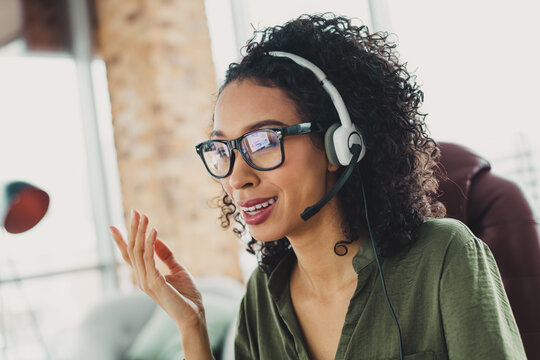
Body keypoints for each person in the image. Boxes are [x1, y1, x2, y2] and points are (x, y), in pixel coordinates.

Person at [109, 13, 526, 360]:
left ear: (338, 146)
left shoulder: (444, 258)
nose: (238, 176)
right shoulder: (263, 298)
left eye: (264, 141)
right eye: (225, 148)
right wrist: (192, 327)